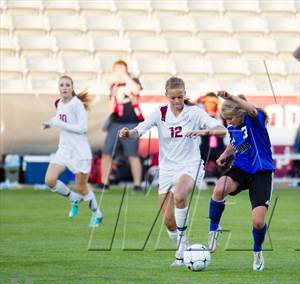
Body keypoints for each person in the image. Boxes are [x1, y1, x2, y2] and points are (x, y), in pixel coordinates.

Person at [119, 76, 226, 266]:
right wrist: (128, 134)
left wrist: (206, 132)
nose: (177, 101)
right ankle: (183, 246)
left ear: (185, 94)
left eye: (180, 97)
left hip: (190, 164)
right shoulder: (159, 113)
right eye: (173, 98)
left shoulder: (194, 112)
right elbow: (139, 130)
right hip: (167, 169)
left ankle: (181, 251)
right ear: (166, 96)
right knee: (168, 221)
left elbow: (221, 129)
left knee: (180, 194)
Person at [206, 91, 274, 271]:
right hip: (242, 168)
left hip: (261, 172)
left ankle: (257, 252)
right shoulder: (233, 126)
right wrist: (224, 154)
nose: (228, 123)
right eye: (225, 119)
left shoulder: (254, 119)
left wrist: (230, 97)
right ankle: (214, 228)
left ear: (239, 112)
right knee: (219, 188)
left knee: (258, 222)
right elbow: (236, 143)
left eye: (230, 119)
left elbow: (250, 109)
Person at [42, 75, 103, 227]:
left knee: (82, 187)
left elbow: (82, 128)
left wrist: (59, 123)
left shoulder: (77, 104)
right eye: (62, 85)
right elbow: (60, 119)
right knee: (50, 180)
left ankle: (97, 214)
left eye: (67, 85)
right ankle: (73, 198)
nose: (64, 87)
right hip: (64, 150)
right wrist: (49, 124)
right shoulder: (60, 103)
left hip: (80, 152)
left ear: (72, 88)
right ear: (59, 88)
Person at [101, 60, 143, 192]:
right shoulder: (113, 86)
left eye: (122, 69)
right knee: (106, 153)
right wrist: (106, 121)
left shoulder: (133, 80)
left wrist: (125, 76)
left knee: (132, 154)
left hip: (130, 122)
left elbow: (136, 89)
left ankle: (137, 184)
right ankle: (104, 182)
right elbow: (111, 104)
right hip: (115, 122)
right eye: (117, 69)